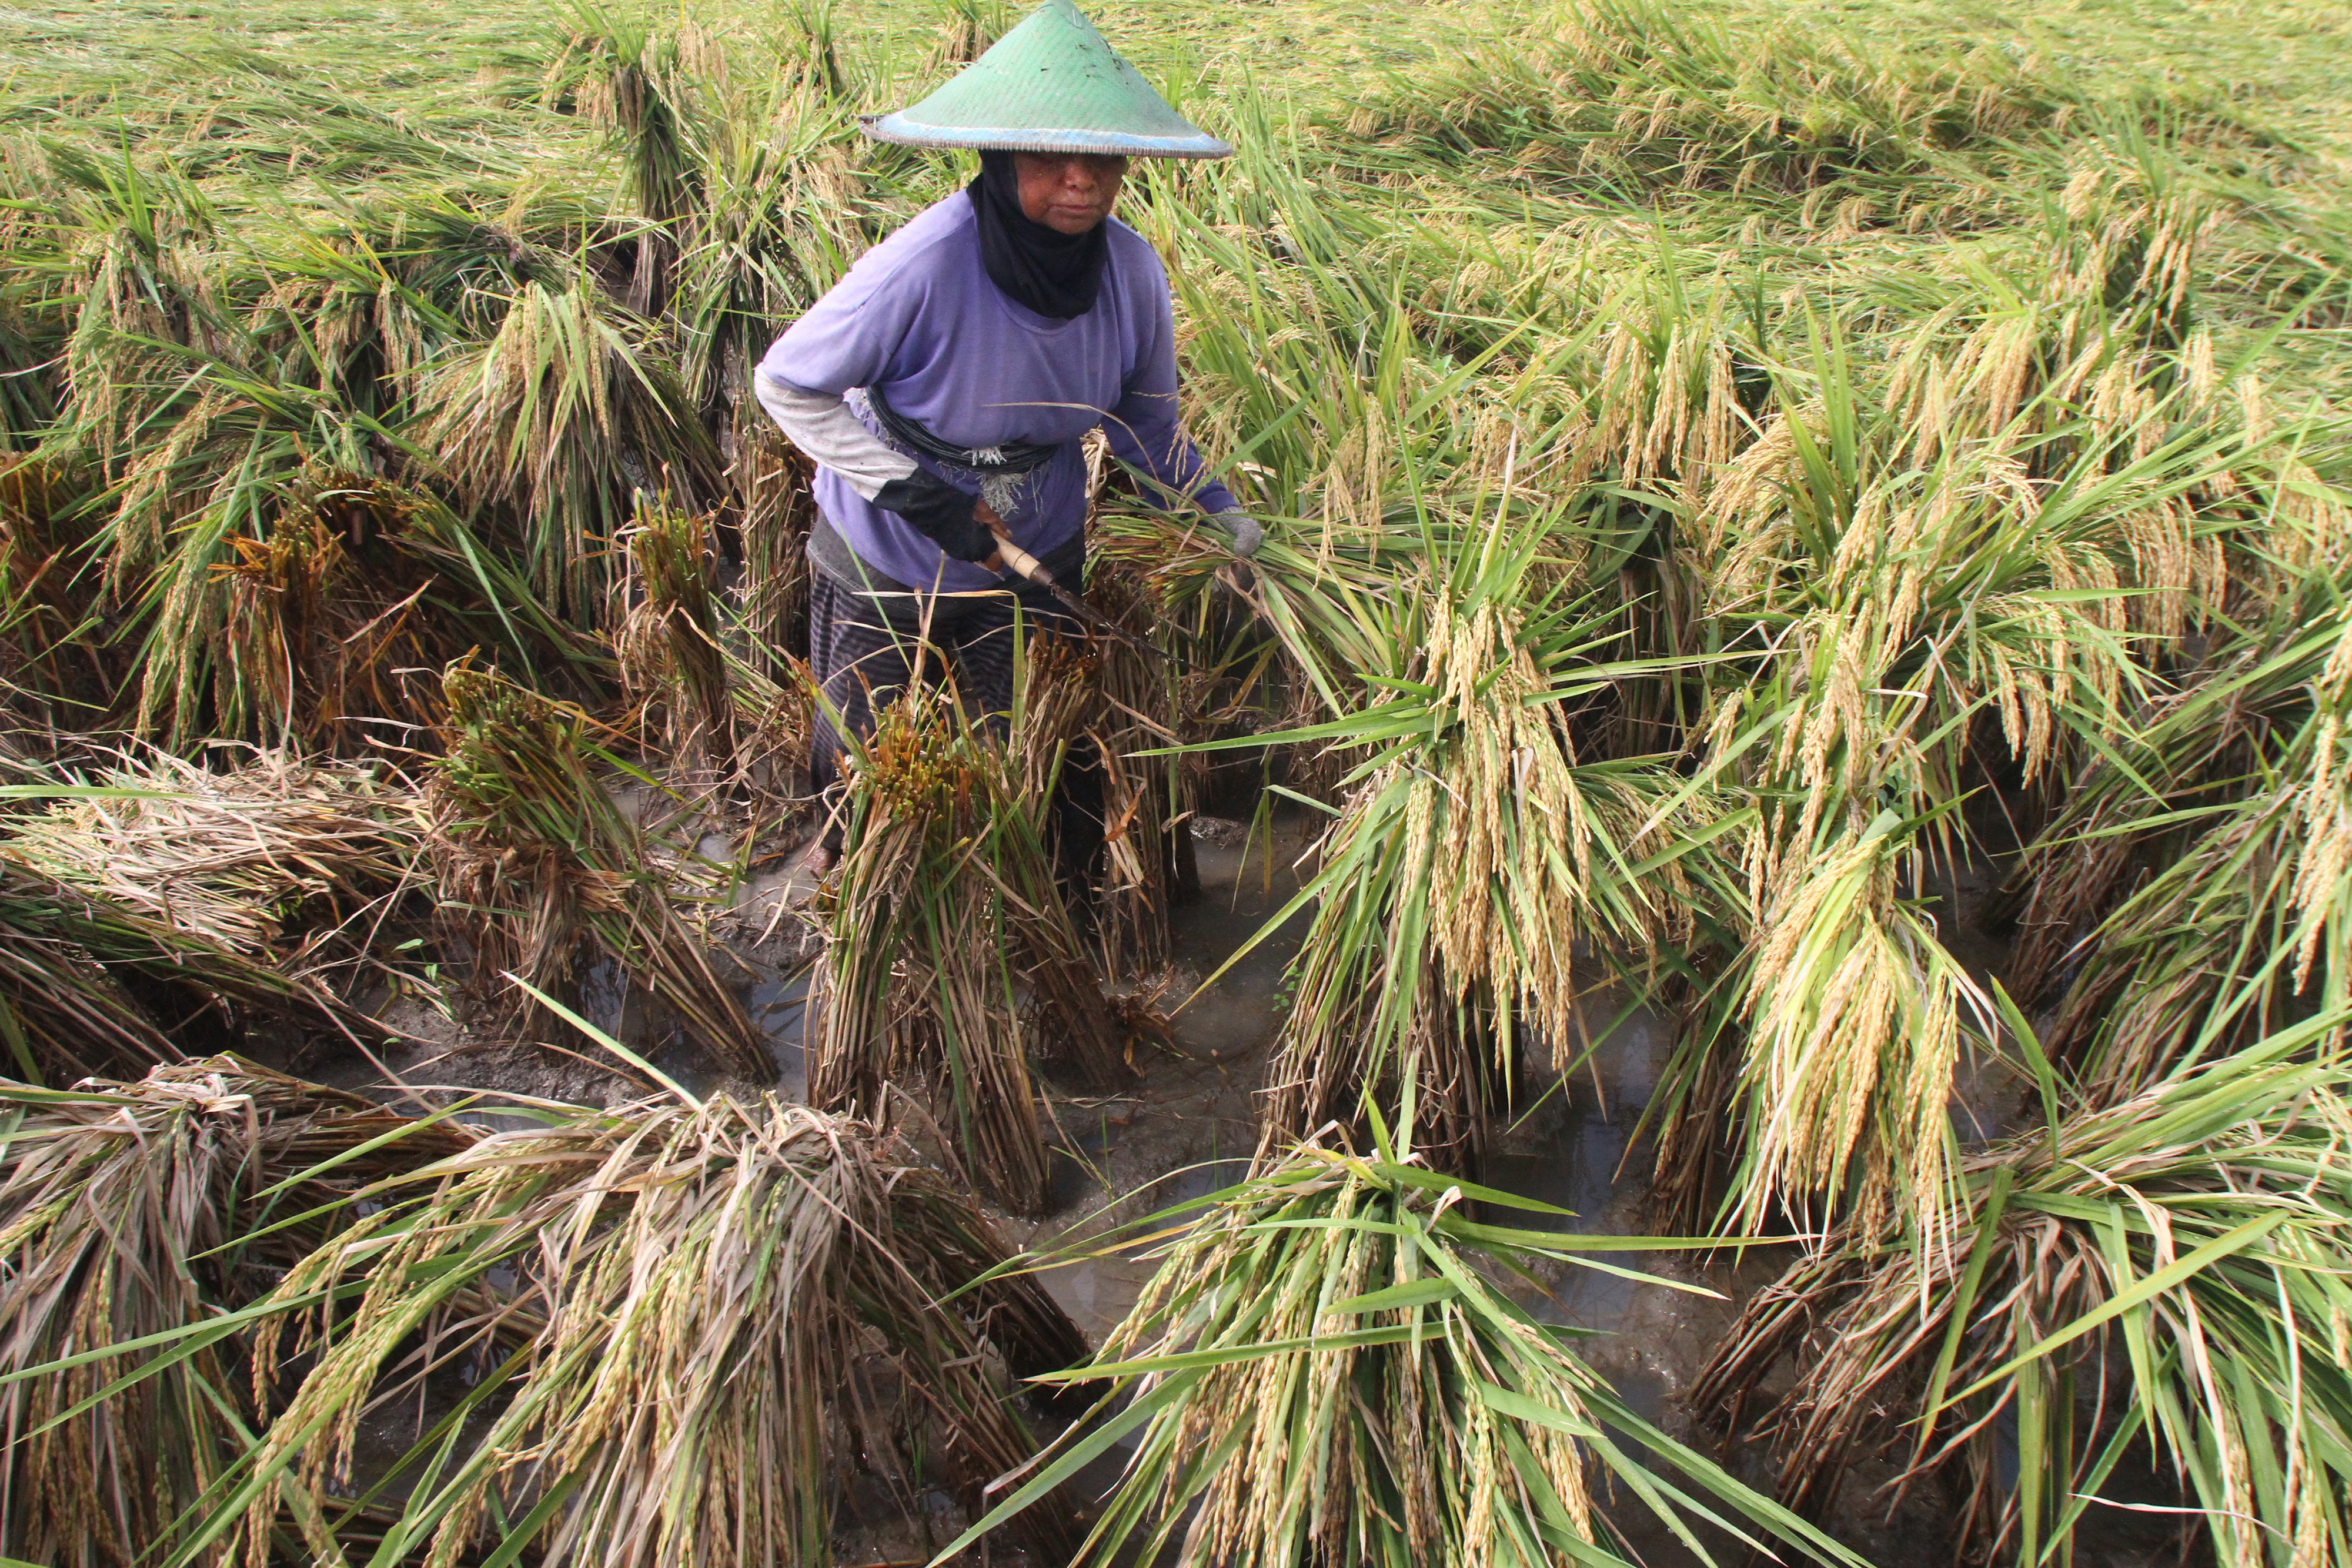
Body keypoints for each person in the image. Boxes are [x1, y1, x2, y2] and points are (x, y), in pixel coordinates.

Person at [754, 0, 1259, 876]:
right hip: (889, 547)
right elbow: (787, 383)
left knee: (1015, 750)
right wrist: (916, 495)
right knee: (866, 760)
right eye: (1050, 159)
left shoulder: (1130, 273)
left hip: (1037, 540)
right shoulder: (923, 267)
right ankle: (854, 894)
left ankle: (1018, 908)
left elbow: (1145, 426)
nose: (1081, 181)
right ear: (996, 158)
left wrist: (1218, 510)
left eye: (1103, 159)